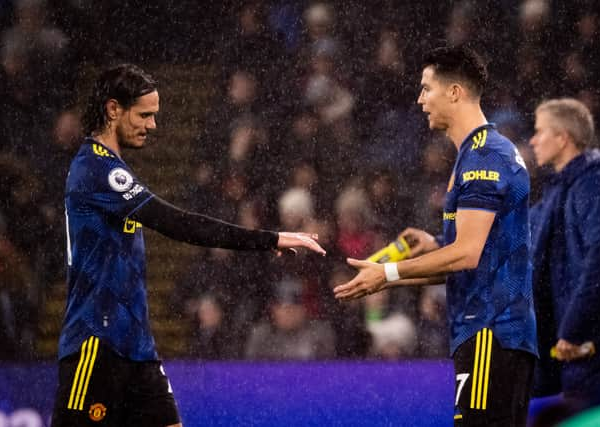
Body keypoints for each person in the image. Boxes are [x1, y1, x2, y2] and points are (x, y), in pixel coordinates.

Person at [51, 63, 325, 427]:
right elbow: (177, 223)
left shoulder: (115, 168)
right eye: (144, 115)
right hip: (96, 345)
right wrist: (267, 239)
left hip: (136, 347)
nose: (152, 125)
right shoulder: (95, 169)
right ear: (113, 109)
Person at [334, 46, 538, 426]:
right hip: (491, 333)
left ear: (455, 92)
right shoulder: (476, 154)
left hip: (490, 333)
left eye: (427, 88)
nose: (420, 99)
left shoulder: (484, 157)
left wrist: (389, 273)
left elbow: (468, 254)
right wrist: (421, 258)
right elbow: (477, 256)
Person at [528, 98, 600, 405]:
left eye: (540, 131)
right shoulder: (562, 190)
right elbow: (517, 229)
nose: (533, 140)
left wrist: (573, 326)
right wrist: (442, 240)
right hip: (581, 349)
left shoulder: (599, 184)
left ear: (563, 137)